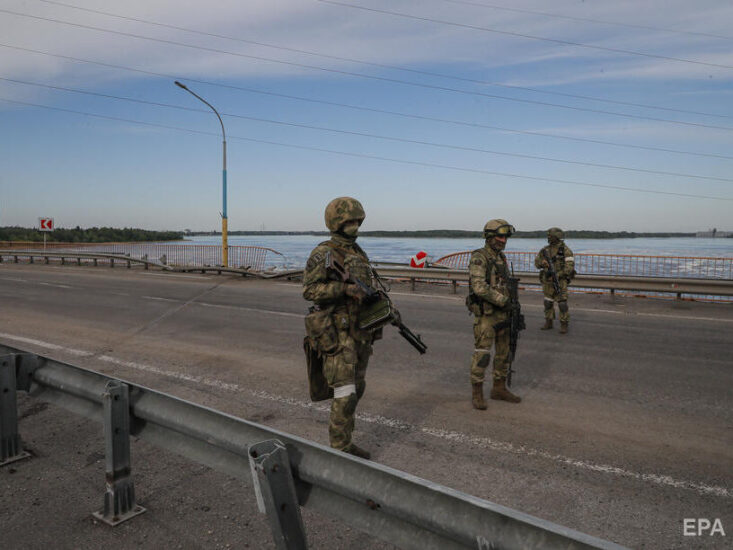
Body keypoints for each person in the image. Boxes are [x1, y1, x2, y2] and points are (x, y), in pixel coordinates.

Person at [302, 197, 379, 459]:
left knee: (357, 389)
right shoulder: (323, 252)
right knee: (344, 394)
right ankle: (340, 451)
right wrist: (345, 289)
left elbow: (368, 288)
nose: (354, 225)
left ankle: (346, 441)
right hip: (338, 334)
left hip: (361, 332)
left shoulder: (358, 252)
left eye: (357, 220)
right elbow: (310, 290)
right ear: (336, 222)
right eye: (349, 220)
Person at [466, 219, 522, 410]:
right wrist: (503, 301)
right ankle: (477, 393)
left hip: (504, 314)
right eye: (499, 236)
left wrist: (512, 304)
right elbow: (479, 287)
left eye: (505, 236)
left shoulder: (501, 258)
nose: (503, 240)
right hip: (487, 315)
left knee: (504, 353)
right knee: (482, 354)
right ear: (489, 237)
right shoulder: (479, 257)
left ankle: (499, 388)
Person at [534, 227, 575, 334]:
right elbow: (536, 263)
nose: (548, 238)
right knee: (548, 302)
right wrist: (542, 262)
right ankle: (549, 322)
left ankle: (564, 324)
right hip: (547, 281)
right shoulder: (545, 250)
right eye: (548, 236)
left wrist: (557, 275)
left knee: (562, 303)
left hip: (560, 281)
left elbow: (569, 267)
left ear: (557, 237)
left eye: (550, 236)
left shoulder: (565, 250)